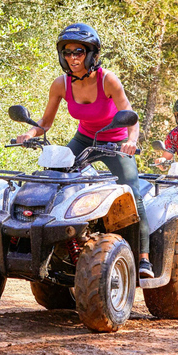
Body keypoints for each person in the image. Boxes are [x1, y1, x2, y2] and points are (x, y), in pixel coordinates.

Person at [16, 23, 154, 278]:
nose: (72, 58)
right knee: (57, 180)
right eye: (67, 52)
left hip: (115, 142)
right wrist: (30, 132)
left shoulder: (108, 79)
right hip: (84, 139)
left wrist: (131, 141)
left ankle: (144, 259)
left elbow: (131, 117)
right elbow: (45, 123)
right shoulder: (61, 84)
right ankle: (62, 248)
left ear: (91, 54)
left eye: (78, 52)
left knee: (133, 194)